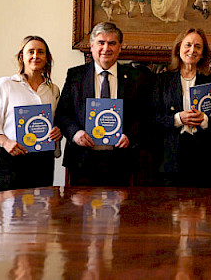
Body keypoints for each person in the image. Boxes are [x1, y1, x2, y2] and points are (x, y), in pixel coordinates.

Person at [55, 22, 151, 187]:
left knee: (121, 212)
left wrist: (130, 135)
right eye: (101, 43)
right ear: (92, 46)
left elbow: (144, 115)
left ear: (120, 47)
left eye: (112, 43)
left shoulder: (136, 77)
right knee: (80, 212)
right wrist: (75, 133)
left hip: (121, 161)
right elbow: (62, 114)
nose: (106, 48)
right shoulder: (75, 75)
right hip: (82, 160)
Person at [0, 36, 62, 191]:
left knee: (40, 212)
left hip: (43, 162)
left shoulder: (53, 90)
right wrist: (5, 142)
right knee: (7, 212)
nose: (35, 56)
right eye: (30, 52)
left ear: (47, 58)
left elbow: (56, 121)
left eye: (41, 52)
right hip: (11, 159)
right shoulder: (4, 85)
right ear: (21, 57)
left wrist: (58, 131)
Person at [151, 28, 211, 187]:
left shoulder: (210, 81)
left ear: (203, 52)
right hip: (170, 161)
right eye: (188, 45)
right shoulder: (162, 80)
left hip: (203, 161)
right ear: (178, 48)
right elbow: (152, 119)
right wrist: (177, 119)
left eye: (198, 46)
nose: (192, 50)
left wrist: (204, 120)